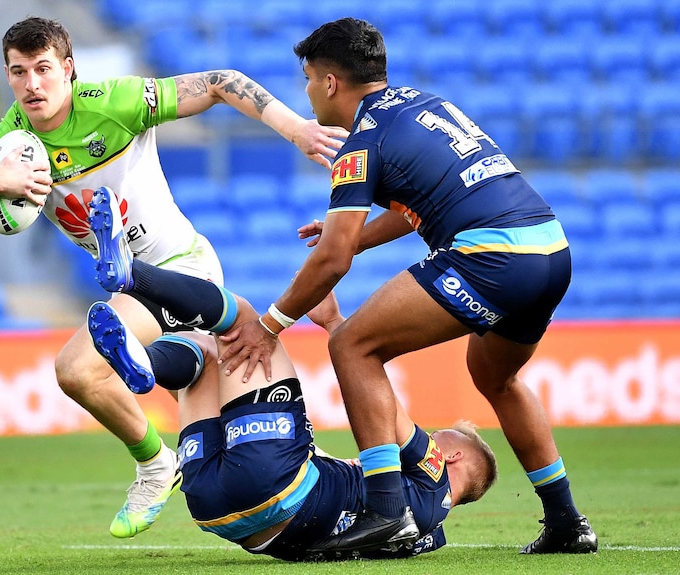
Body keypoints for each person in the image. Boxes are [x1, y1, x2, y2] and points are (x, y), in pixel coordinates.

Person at [0, 16, 348, 539]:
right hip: (131, 285)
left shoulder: (113, 103)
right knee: (237, 426)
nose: (32, 84)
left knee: (77, 368)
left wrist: (297, 128)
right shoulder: (5, 144)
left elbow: (219, 82)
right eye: (18, 71)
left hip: (181, 269)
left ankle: (154, 464)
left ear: (68, 69)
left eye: (43, 69)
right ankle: (362, 485)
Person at [214, 18, 597, 555]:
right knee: (495, 377)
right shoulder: (425, 104)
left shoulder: (361, 142)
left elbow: (332, 261)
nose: (306, 92)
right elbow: (423, 200)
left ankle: (386, 510)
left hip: (493, 254)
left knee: (353, 346)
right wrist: (353, 233)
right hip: (550, 249)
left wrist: (271, 325)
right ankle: (565, 521)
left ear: (329, 83)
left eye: (306, 79)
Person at [81, 193, 498, 561]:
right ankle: (142, 363)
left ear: (454, 456)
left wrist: (335, 323)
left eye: (442, 437)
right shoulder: (428, 534)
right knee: (205, 356)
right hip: (215, 509)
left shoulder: (434, 471)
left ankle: (133, 274)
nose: (432, 439)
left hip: (278, 486)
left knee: (241, 324)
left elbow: (385, 412)